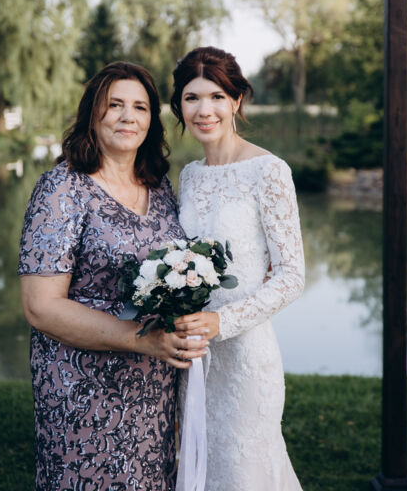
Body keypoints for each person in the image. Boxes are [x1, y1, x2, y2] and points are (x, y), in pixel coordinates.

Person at [18, 61, 209, 491]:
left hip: (154, 388)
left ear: (152, 119)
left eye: (140, 107)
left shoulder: (158, 186)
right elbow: (40, 307)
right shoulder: (62, 188)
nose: (128, 117)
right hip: (82, 389)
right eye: (115, 105)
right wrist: (141, 339)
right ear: (93, 113)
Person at [171, 46, 305, 491]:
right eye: (192, 98)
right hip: (193, 359)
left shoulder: (269, 171)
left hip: (246, 358)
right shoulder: (189, 176)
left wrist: (221, 322)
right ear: (179, 106)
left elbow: (291, 275)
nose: (204, 110)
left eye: (216, 97)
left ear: (236, 101)